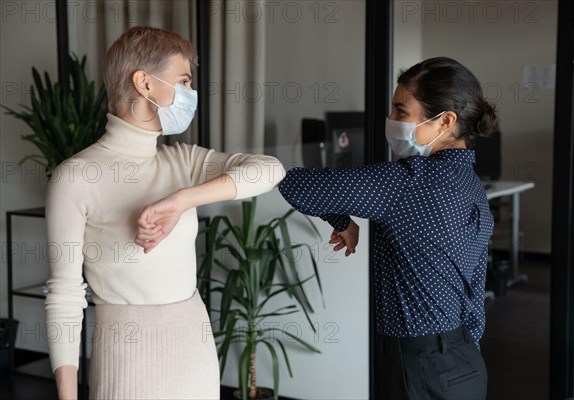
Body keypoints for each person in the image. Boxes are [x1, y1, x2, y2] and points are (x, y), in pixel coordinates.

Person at [45, 26, 285, 400]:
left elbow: (270, 170)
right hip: (124, 361)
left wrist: (182, 200)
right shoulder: (75, 177)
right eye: (184, 81)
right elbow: (64, 295)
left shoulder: (183, 161)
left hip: (194, 349)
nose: (191, 94)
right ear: (144, 83)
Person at [278, 57, 496, 399]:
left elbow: (297, 185)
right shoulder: (471, 185)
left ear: (446, 120)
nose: (390, 121)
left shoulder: (410, 181)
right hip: (465, 359)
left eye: (400, 111)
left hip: (417, 365)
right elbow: (475, 290)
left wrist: (341, 221)